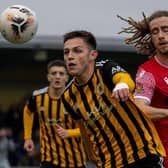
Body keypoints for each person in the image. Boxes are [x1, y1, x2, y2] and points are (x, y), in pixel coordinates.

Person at [61, 30, 166, 168]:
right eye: (66, 52)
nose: (70, 56)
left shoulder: (105, 68)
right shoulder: (68, 96)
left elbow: (124, 79)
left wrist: (122, 85)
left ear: (93, 55)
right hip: (109, 163)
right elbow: (84, 130)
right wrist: (92, 157)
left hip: (143, 155)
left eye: (77, 51)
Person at [118, 10, 168, 167]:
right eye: (155, 31)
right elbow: (139, 108)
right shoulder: (147, 73)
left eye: (165, 29)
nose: (160, 35)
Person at [23, 59, 86, 168]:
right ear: (48, 77)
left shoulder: (77, 99)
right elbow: (28, 111)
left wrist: (70, 133)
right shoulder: (38, 97)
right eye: (54, 73)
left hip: (75, 161)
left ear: (67, 78)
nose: (57, 76)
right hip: (49, 160)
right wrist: (28, 138)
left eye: (61, 74)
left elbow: (89, 127)